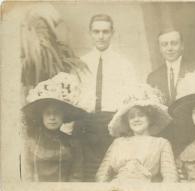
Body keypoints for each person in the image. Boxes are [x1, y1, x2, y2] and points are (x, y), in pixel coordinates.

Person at [73, 14, 137, 181]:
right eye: (96, 31)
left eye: (105, 32)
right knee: (85, 173)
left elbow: (130, 99)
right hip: (85, 123)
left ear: (112, 33)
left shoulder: (124, 64)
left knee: (110, 172)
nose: (100, 36)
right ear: (90, 33)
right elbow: (74, 96)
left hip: (111, 123)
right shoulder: (79, 63)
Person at [95, 84, 178, 183]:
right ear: (127, 121)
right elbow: (102, 175)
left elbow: (170, 176)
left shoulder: (161, 143)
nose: (136, 120)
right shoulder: (118, 143)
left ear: (150, 118)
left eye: (141, 115)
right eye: (131, 117)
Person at [22, 72, 87, 182]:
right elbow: (26, 175)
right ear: (41, 116)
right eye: (48, 113)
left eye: (56, 113)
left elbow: (76, 177)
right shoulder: (29, 141)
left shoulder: (73, 144)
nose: (52, 117)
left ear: (63, 116)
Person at [147, 29, 195, 106]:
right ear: (160, 48)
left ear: (182, 46)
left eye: (174, 43)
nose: (169, 48)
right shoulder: (153, 77)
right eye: (164, 44)